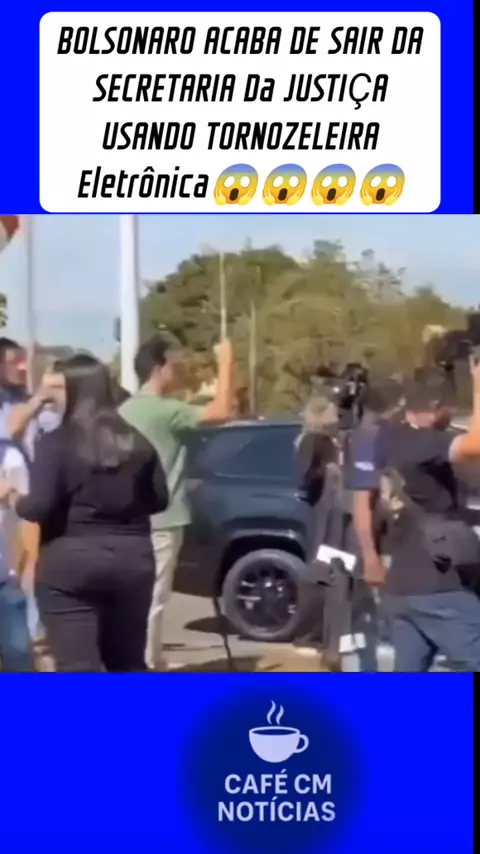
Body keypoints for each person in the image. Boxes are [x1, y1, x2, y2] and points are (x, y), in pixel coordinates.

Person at [13, 353, 169, 672]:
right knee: (128, 663)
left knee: (78, 666)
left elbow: (38, 507)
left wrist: (14, 497)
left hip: (70, 564)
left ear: (73, 390)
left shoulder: (56, 443)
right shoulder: (137, 441)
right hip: (131, 562)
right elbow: (159, 501)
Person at [120, 335, 235, 670]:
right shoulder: (165, 410)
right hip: (164, 518)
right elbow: (222, 411)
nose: (178, 370)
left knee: (134, 597)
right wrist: (226, 361)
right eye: (173, 365)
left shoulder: (124, 411)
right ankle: (147, 665)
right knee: (155, 597)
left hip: (130, 518)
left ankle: (146, 659)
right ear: (158, 369)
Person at [374, 361, 480, 671]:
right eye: (449, 406)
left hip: (402, 585)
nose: (452, 412)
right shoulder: (424, 444)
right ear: (434, 405)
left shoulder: (389, 437)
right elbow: (475, 444)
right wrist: (478, 385)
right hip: (438, 586)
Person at [0, 439, 33, 671]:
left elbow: (29, 517)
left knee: (18, 655)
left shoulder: (10, 457)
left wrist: (29, 567)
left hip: (5, 580)